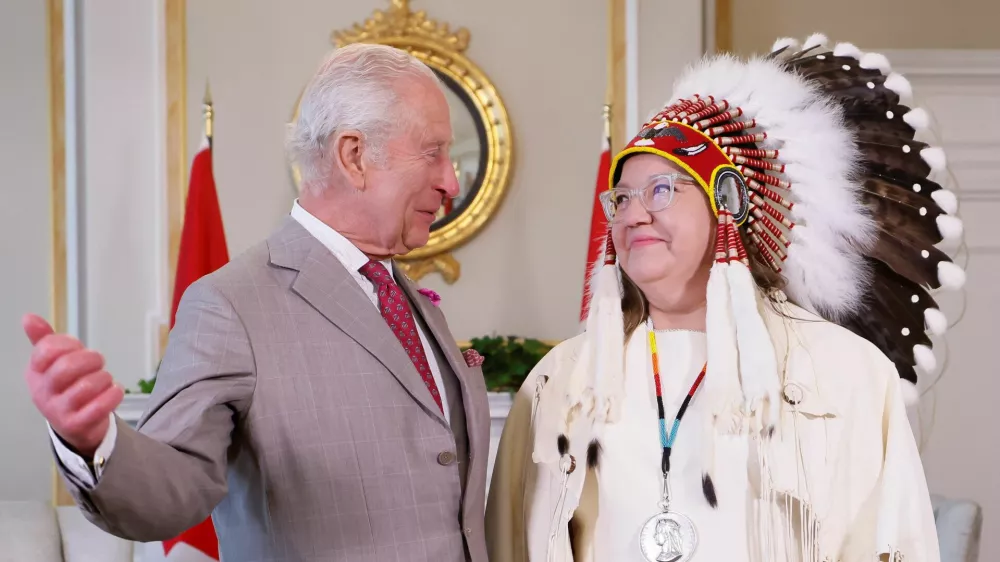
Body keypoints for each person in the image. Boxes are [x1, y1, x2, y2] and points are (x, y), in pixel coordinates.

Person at [486, 33, 965, 562]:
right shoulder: (561, 381)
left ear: (728, 205)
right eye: (621, 198)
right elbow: (512, 545)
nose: (634, 213)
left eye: (662, 190)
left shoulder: (842, 374)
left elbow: (893, 542)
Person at [22, 43, 492, 562]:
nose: (451, 180)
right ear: (354, 156)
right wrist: (93, 443)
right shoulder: (228, 306)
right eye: (433, 153)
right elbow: (173, 485)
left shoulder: (415, 305)